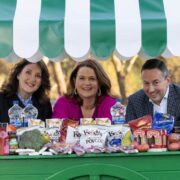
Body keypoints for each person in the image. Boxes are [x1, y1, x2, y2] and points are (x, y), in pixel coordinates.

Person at [126, 58, 180, 126]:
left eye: (156, 82)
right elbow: (129, 132)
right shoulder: (134, 101)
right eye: (146, 83)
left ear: (168, 80)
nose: (151, 89)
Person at [0, 59, 52, 123]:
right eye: (28, 72)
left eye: (38, 76)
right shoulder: (1, 99)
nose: (32, 79)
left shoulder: (45, 105)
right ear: (18, 74)